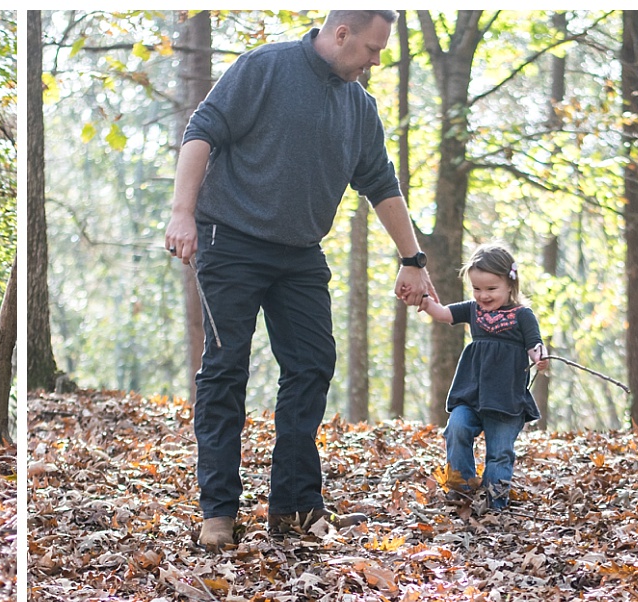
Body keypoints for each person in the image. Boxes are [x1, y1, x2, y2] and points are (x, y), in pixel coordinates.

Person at [164, 10, 436, 550]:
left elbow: (381, 184)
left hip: (299, 254)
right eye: (372, 49)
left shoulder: (358, 107)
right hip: (230, 240)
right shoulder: (264, 68)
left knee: (312, 365)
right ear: (340, 35)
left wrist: (415, 259)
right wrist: (181, 212)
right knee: (225, 370)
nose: (377, 61)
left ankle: (294, 508)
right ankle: (218, 512)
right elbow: (202, 132)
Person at [417, 243, 548, 513]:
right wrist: (425, 302)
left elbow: (535, 344)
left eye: (491, 289)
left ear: (510, 285)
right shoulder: (473, 310)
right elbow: (443, 314)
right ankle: (461, 488)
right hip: (471, 393)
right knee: (457, 428)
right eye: (477, 288)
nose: (483, 296)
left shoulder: (522, 316)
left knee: (500, 452)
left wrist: (540, 356)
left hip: (506, 398)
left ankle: (494, 503)